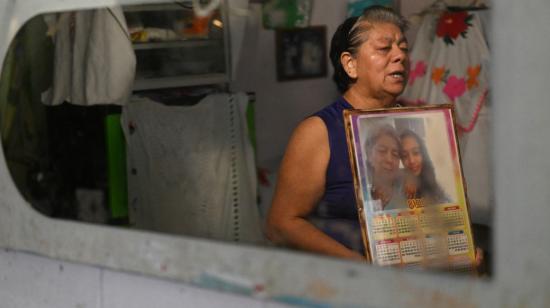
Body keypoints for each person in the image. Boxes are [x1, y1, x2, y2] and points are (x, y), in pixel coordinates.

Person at [266, 6, 410, 260]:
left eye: (403, 48)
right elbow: (281, 225)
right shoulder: (318, 131)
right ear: (350, 64)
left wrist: (455, 248)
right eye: (385, 48)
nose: (400, 56)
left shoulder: (414, 123)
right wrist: (356, 263)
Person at [364, 123, 408, 211]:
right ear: (369, 155)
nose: (389, 160)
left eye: (395, 154)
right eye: (382, 151)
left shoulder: (408, 190)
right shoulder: (359, 190)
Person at [399, 129, 449, 206]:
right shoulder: (399, 186)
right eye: (405, 156)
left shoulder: (432, 183)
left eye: (416, 153)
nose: (411, 161)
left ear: (423, 154)